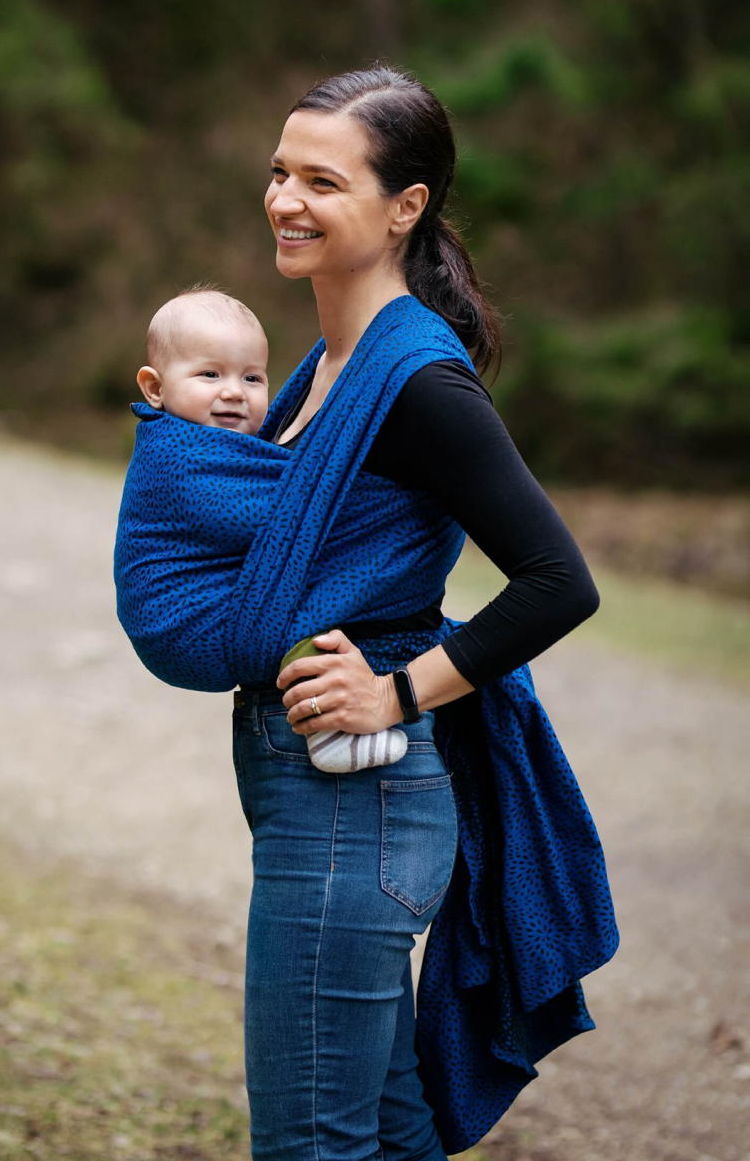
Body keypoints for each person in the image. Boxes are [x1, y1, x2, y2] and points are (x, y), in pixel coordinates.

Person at [228, 64, 607, 1159]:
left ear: (407, 206)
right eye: (280, 172)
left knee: (310, 1141)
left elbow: (556, 577)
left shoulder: (417, 382)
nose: (287, 200)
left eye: (323, 180)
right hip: (325, 799)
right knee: (383, 1133)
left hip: (360, 799)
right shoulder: (322, 368)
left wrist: (396, 686)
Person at [132, 284, 411, 774]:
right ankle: (327, 733)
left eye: (253, 378)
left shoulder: (220, 448)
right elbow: (292, 507)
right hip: (184, 624)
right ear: (155, 388)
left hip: (207, 613)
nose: (234, 392)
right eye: (210, 374)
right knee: (311, 615)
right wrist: (405, 496)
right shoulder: (176, 457)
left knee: (301, 597)